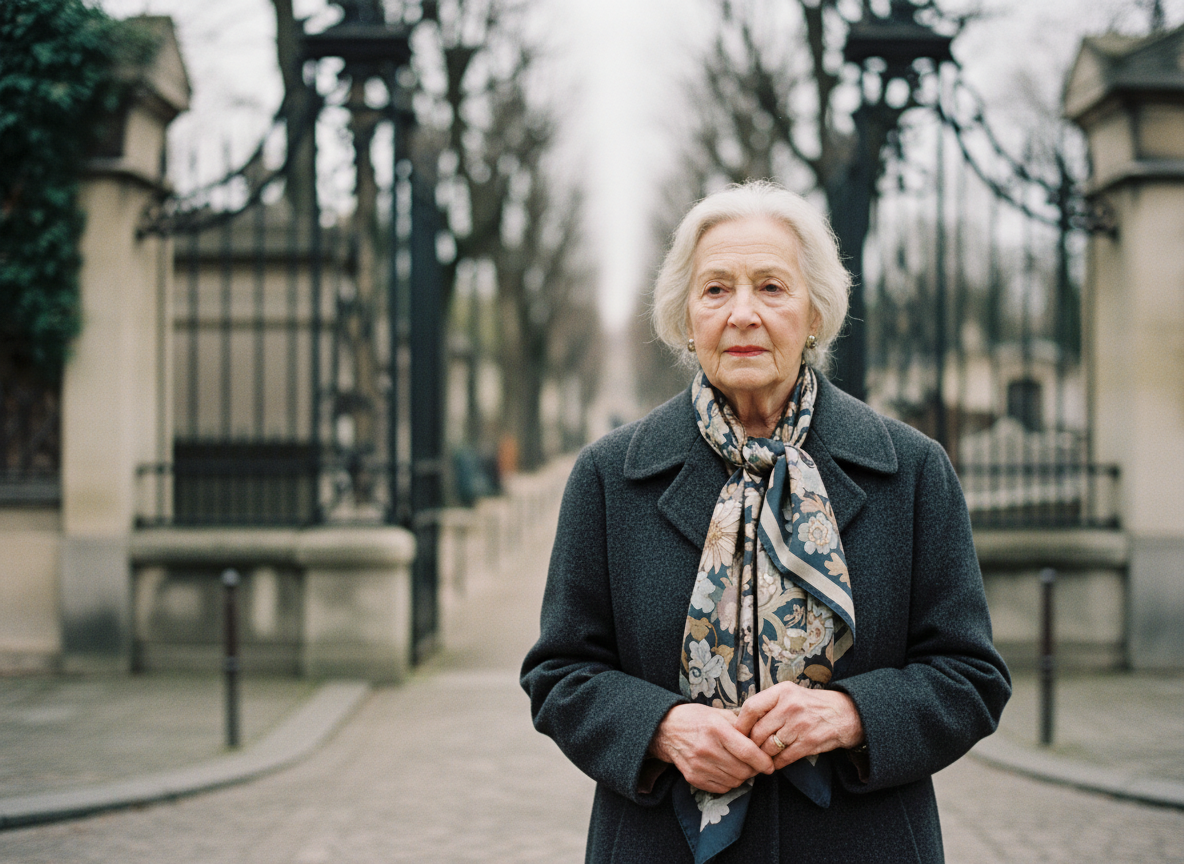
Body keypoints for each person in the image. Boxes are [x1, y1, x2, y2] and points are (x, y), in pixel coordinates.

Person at [521, 180, 1010, 864]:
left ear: (815, 312)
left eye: (771, 287)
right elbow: (561, 675)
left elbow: (971, 677)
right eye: (715, 289)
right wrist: (662, 729)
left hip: (862, 843)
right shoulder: (609, 477)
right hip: (660, 842)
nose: (741, 313)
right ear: (685, 318)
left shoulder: (913, 471)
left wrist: (852, 714)